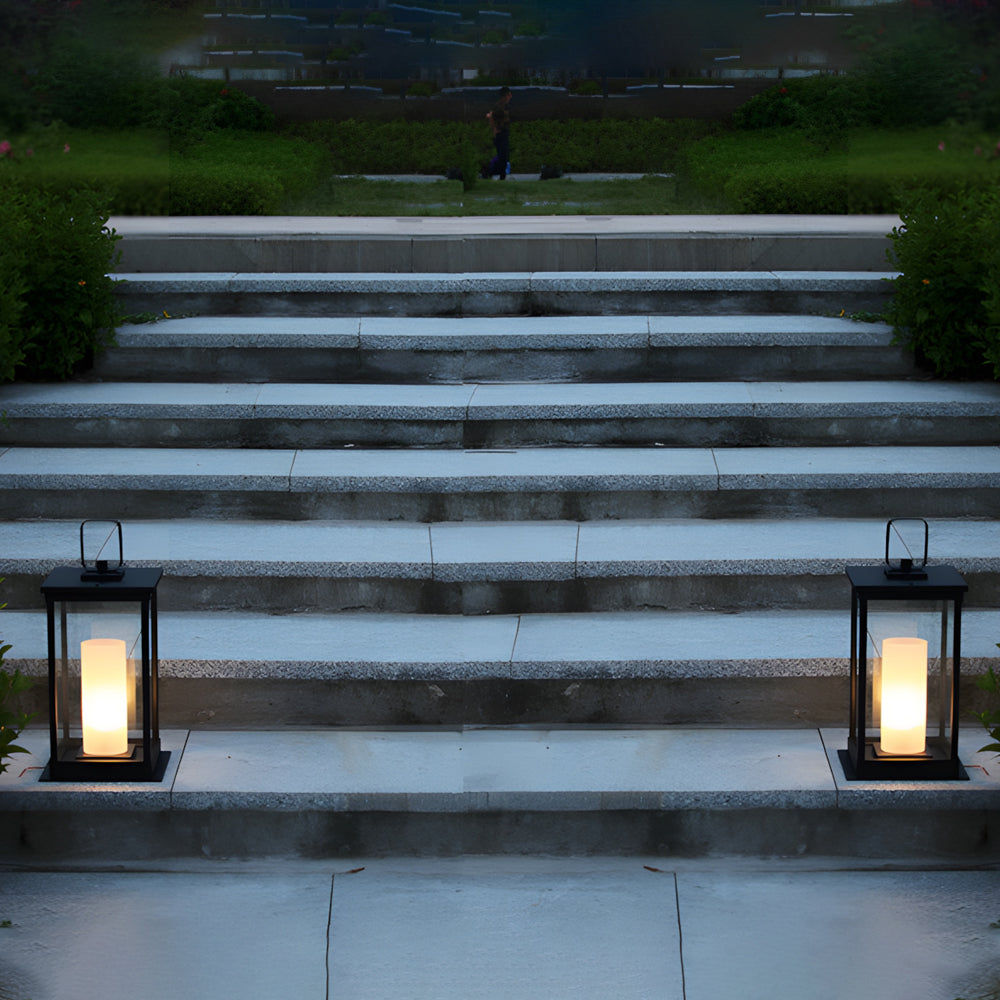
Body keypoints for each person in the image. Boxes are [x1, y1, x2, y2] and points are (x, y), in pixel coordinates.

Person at [486, 85, 511, 179]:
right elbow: (490, 116)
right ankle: (495, 173)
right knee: (502, 155)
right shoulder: (499, 106)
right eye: (509, 95)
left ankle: (501, 174)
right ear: (505, 95)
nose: (510, 97)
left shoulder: (506, 106)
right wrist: (495, 130)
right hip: (500, 132)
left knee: (504, 155)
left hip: (504, 132)